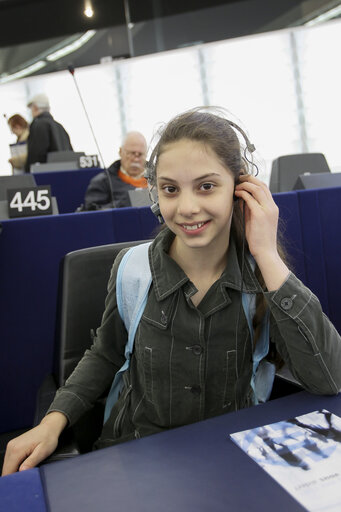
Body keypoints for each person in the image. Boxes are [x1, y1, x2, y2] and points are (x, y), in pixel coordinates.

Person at [2, 108, 341, 476]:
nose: (187, 208)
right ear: (156, 193)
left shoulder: (262, 276)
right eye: (170, 189)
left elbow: (330, 377)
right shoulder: (132, 270)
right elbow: (105, 354)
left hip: (231, 461)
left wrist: (267, 255)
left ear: (240, 188)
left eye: (206, 186)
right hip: (138, 456)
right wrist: (53, 421)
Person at [83, 131, 147, 209]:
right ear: (120, 152)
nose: (136, 159)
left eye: (140, 154)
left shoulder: (158, 178)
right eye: (131, 153)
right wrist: (126, 203)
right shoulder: (103, 182)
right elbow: (92, 214)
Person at [25, 93, 73, 172]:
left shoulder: (38, 125)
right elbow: (70, 153)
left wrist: (27, 172)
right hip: (65, 172)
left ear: (35, 108)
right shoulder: (59, 126)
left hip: (46, 175)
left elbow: (36, 154)